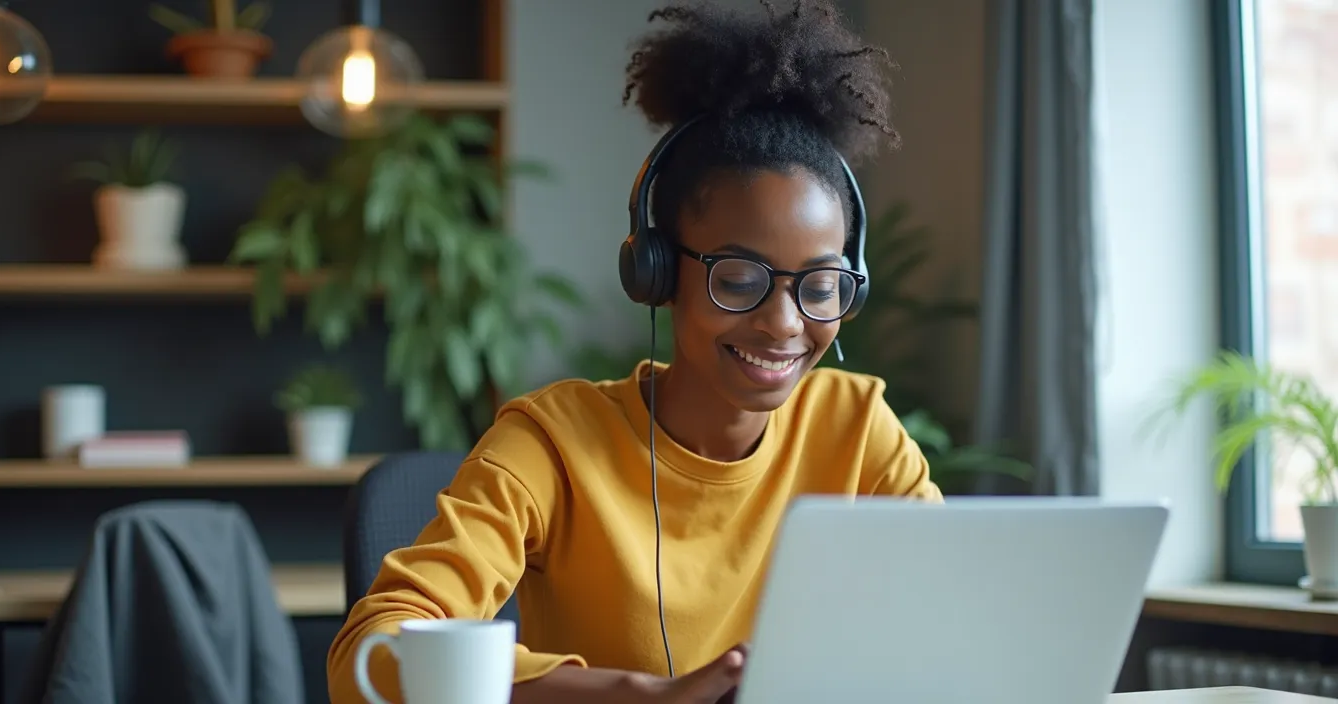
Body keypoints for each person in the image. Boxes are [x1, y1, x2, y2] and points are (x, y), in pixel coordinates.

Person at [327, 2, 942, 702]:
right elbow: (367, 656)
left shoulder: (861, 429)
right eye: (738, 279)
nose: (783, 323)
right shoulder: (552, 443)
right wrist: (630, 695)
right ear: (655, 271)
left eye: (821, 285)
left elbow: (952, 622)